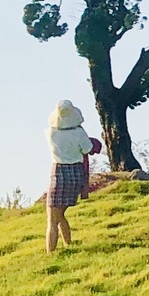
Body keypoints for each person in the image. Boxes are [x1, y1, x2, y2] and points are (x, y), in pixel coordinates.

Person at [45, 100, 102, 254]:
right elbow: (88, 148)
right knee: (60, 214)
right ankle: (67, 244)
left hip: (58, 172)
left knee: (52, 218)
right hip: (76, 172)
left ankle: (51, 252)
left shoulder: (51, 133)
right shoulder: (78, 132)